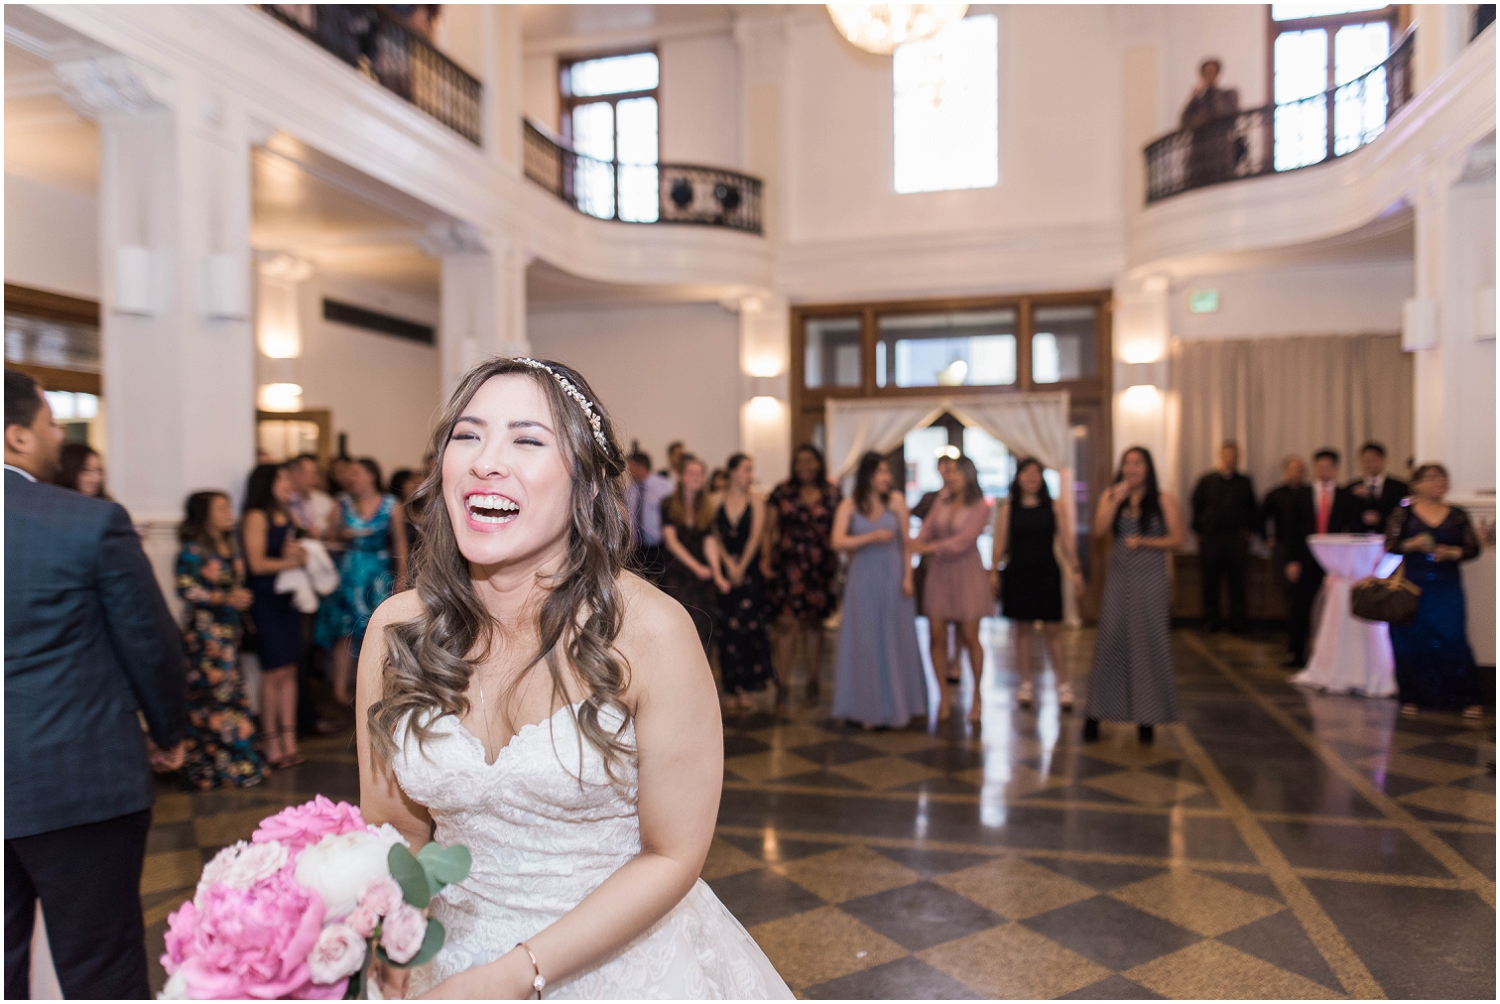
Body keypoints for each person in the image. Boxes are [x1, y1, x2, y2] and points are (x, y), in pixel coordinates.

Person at [354, 356, 792, 999]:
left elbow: (672, 854)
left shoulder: (654, 633)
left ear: (585, 480)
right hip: (442, 968)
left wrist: (514, 974)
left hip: (616, 965)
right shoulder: (397, 631)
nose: (486, 461)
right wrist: (395, 923)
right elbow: (398, 828)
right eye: (468, 435)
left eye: (527, 440)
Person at [5, 369, 186, 999]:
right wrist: (168, 731)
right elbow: (149, 640)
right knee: (100, 967)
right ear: (17, 437)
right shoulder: (85, 522)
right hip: (74, 778)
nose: (59, 434)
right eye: (51, 423)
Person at [1083, 447, 1185, 745]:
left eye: (1138, 463)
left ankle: (1147, 718)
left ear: (1148, 468)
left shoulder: (1164, 499)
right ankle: (1095, 714)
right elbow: (1100, 530)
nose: (1132, 468)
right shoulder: (1110, 496)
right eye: (1127, 463)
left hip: (1151, 580)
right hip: (1119, 579)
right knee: (1110, 641)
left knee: (1147, 644)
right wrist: (1114, 500)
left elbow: (1178, 540)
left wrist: (1144, 541)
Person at [175, 491, 267, 790]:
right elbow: (186, 590)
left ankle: (236, 764)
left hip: (228, 631)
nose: (229, 512)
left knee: (229, 694)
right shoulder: (192, 550)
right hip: (205, 634)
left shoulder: (228, 544)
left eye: (229, 505)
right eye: (220, 507)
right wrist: (225, 597)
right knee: (214, 698)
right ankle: (213, 768)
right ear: (204, 514)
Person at [830, 452, 925, 730]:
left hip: (893, 575)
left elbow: (906, 543)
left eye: (888, 472)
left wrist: (909, 577)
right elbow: (837, 541)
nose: (886, 478)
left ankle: (898, 706)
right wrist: (870, 537)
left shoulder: (896, 502)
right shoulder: (849, 505)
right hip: (862, 577)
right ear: (867, 474)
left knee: (895, 639)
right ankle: (866, 709)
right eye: (881, 471)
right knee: (865, 641)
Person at [1385, 464, 1483, 719]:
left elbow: (1472, 548)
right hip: (1413, 585)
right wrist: (1413, 544)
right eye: (1430, 478)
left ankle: (1465, 698)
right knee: (1410, 639)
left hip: (1446, 585)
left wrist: (1451, 552)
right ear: (1416, 484)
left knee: (1453, 637)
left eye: (1442, 477)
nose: (1437, 482)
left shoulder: (1457, 514)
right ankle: (1412, 696)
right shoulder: (1403, 513)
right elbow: (1391, 545)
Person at [992, 458, 1084, 713]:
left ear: (1042, 478)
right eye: (1026, 472)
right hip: (1018, 573)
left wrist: (1076, 570)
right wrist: (992, 572)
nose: (1031, 477)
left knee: (1053, 630)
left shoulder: (1055, 506)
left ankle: (1063, 684)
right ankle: (1026, 683)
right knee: (1022, 630)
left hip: (1047, 572)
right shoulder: (1008, 509)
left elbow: (1067, 541)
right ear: (1018, 476)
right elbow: (999, 544)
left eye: (1036, 473)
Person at [316, 457, 408, 705]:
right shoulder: (342, 502)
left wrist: (402, 577)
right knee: (344, 631)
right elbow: (328, 534)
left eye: (356, 473)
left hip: (377, 575)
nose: (351, 478)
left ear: (371, 475)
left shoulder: (391, 504)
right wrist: (341, 533)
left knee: (377, 630)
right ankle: (340, 691)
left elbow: (399, 543)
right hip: (348, 572)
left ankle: (378, 686)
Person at [911, 455, 993, 722]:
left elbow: (964, 541)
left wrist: (929, 548)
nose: (950, 475)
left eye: (956, 471)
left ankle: (977, 697)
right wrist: (914, 543)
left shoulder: (980, 506)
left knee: (970, 637)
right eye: (948, 472)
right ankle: (943, 696)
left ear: (968, 474)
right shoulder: (941, 501)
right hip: (940, 574)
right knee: (936, 635)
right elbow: (926, 530)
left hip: (967, 572)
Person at [764, 445, 842, 708]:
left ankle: (813, 683)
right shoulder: (782, 491)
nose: (804, 466)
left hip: (820, 569)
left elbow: (841, 529)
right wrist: (765, 560)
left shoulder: (832, 494)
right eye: (800, 461)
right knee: (786, 624)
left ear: (819, 463)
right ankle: (783, 686)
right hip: (788, 567)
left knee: (813, 625)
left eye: (810, 461)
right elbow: (768, 529)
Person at [243, 462, 309, 768]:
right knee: (273, 672)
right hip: (266, 599)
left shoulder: (288, 513)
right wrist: (293, 563)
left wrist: (300, 555)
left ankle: (289, 739)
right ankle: (270, 741)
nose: (287, 482)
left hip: (287, 598)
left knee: (290, 670)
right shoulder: (257, 516)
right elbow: (257, 564)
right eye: (281, 477)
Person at [1283, 449, 1359, 668]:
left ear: (1335, 469)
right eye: (1320, 467)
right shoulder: (1301, 495)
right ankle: (1295, 653)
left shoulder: (1347, 497)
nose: (1324, 471)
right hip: (1306, 559)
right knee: (1300, 606)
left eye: (1328, 467)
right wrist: (1292, 560)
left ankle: (1333, 654)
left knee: (1334, 607)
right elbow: (1291, 531)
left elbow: (1353, 530)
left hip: (1335, 562)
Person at [711, 454, 774, 712]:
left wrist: (741, 566)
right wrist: (727, 563)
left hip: (749, 574)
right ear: (733, 471)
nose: (749, 474)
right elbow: (713, 536)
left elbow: (756, 537)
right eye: (746, 469)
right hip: (725, 572)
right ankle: (730, 688)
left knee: (750, 629)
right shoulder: (715, 500)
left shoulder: (757, 501)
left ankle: (746, 688)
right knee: (727, 631)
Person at [1191, 440, 1258, 633]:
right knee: (1210, 582)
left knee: (1238, 583)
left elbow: (1252, 508)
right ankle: (1210, 621)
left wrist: (1249, 531)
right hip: (1211, 540)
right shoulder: (1206, 481)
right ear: (1220, 456)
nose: (1230, 459)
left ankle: (1239, 623)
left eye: (1234, 456)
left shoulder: (1244, 482)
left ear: (1238, 458)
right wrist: (1200, 531)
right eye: (1227, 455)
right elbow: (1196, 506)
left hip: (1236, 540)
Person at [659, 455, 724, 652]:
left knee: (704, 628)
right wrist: (697, 567)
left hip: (701, 577)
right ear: (682, 477)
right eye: (692, 473)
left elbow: (709, 542)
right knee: (681, 628)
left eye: (701, 473)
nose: (697, 477)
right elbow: (671, 542)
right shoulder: (668, 503)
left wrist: (717, 574)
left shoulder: (706, 506)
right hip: (677, 574)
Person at [1260, 455, 1309, 667]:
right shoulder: (1275, 494)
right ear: (1285, 471)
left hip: (1308, 551)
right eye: (1293, 469)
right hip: (1283, 548)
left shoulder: (1309, 494)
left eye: (1300, 469)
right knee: (1288, 592)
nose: (1297, 473)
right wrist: (1267, 539)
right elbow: (1261, 518)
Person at [912, 453, 957, 652]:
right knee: (936, 617)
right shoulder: (932, 497)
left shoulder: (967, 500)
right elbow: (921, 523)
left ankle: (955, 660)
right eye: (944, 467)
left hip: (956, 562)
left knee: (959, 618)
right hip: (932, 562)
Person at [1180, 57, 1241, 188]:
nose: (1209, 76)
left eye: (1212, 72)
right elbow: (1184, 121)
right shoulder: (1197, 101)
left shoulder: (1228, 94)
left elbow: (1226, 114)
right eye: (1206, 73)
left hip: (1220, 154)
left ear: (1218, 74)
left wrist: (1202, 115)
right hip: (1200, 156)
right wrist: (1194, 98)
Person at [624, 450, 674, 580]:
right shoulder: (630, 491)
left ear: (641, 467)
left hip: (661, 548)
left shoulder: (665, 486)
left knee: (664, 585)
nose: (629, 472)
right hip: (638, 548)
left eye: (631, 467)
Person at [1349, 441, 1409, 532]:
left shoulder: (1400, 487)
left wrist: (1382, 517)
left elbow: (1403, 513)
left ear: (1384, 460)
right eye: (1365, 461)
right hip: (1359, 538)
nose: (1368, 464)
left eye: (1373, 460)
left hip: (1389, 536)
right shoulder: (1352, 487)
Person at [285, 453, 335, 539]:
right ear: (294, 474)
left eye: (316, 474)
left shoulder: (324, 500)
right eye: (311, 474)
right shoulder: (283, 501)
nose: (315, 479)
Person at [389, 467, 423, 559]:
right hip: (398, 561)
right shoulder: (391, 508)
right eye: (412, 482)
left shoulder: (422, 508)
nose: (417, 485)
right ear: (400, 484)